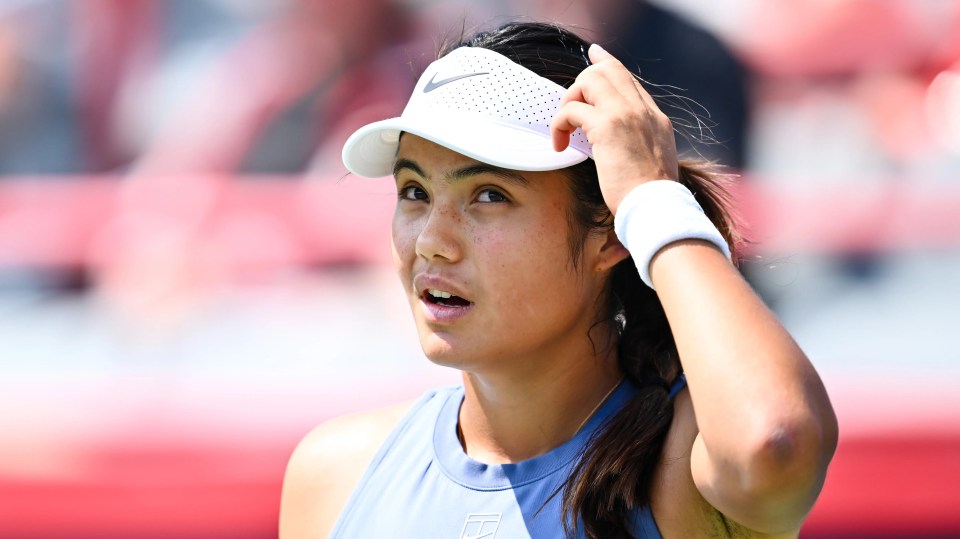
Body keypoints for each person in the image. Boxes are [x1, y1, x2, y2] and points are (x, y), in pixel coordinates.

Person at [279, 22, 838, 539]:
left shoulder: (678, 469)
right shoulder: (333, 474)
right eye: (414, 192)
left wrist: (651, 198)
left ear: (611, 234)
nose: (430, 240)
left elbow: (775, 441)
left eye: (490, 196)